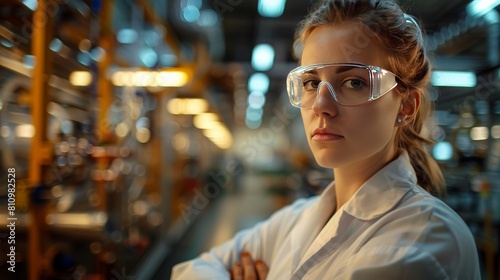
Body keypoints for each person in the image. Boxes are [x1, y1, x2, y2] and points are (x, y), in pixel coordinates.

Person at [171, 0, 481, 279]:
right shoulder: (296, 220)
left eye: (353, 82)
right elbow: (190, 271)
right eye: (310, 82)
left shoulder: (424, 239)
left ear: (406, 106)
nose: (321, 105)